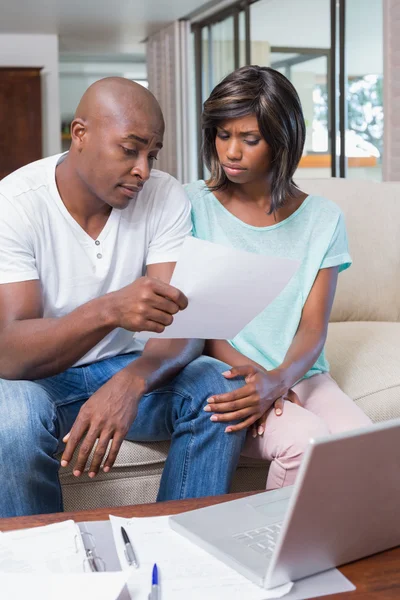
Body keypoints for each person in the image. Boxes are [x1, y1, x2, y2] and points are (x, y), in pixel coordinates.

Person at [0, 77, 246, 518]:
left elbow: (186, 328)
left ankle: (178, 554)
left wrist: (129, 384)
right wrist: (109, 309)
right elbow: (10, 357)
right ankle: (45, 572)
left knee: (214, 383)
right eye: (129, 149)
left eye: (152, 154)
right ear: (80, 134)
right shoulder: (15, 204)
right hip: (40, 382)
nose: (143, 170)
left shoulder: (164, 195)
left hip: (127, 366)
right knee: (10, 415)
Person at [185, 65, 371, 491]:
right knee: (307, 440)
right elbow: (200, 327)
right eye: (222, 134)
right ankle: (274, 553)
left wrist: (281, 378)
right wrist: (258, 381)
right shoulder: (193, 205)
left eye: (249, 140)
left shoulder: (322, 218)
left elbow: (312, 328)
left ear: (282, 141)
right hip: (229, 375)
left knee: (367, 453)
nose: (231, 152)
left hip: (301, 374)